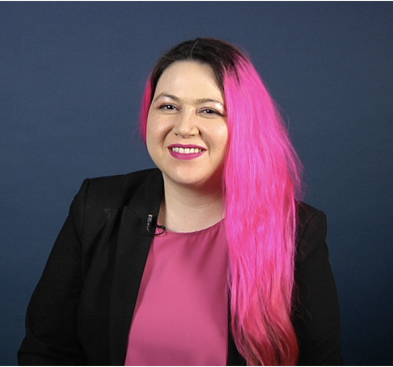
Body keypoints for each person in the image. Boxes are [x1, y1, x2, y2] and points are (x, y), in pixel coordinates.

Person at [18, 38, 343, 366]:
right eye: (169, 106)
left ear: (245, 124)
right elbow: (45, 352)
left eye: (209, 110)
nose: (184, 127)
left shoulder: (297, 232)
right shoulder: (96, 208)